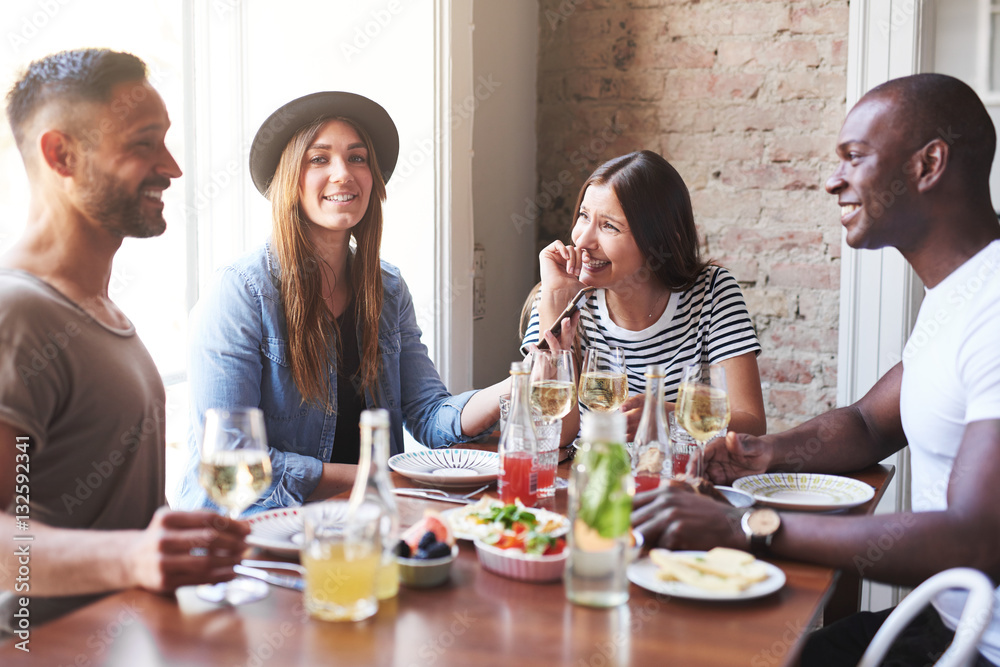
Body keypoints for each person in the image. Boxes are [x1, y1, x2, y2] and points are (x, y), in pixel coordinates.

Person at [633, 73, 1000, 666]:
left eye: (854, 158)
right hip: (946, 623)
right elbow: (868, 424)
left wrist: (747, 527)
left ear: (928, 164)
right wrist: (767, 453)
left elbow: (975, 540)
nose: (833, 180)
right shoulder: (958, 295)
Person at [0, 49, 249, 637]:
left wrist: (174, 539)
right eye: (144, 143)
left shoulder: (102, 311)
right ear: (61, 155)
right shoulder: (17, 314)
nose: (172, 167)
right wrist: (131, 555)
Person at [175, 92, 514, 513]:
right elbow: (231, 461)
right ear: (289, 179)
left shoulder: (387, 290)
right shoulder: (240, 291)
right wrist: (378, 480)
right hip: (250, 530)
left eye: (357, 158)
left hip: (361, 520)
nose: (343, 174)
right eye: (319, 159)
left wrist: (515, 387)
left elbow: (429, 414)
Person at [521, 150, 766, 443]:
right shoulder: (557, 295)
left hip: (677, 481)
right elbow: (555, 436)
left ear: (659, 239)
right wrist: (554, 301)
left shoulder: (712, 292)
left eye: (609, 225)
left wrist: (666, 417)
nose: (583, 240)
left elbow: (751, 422)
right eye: (584, 216)